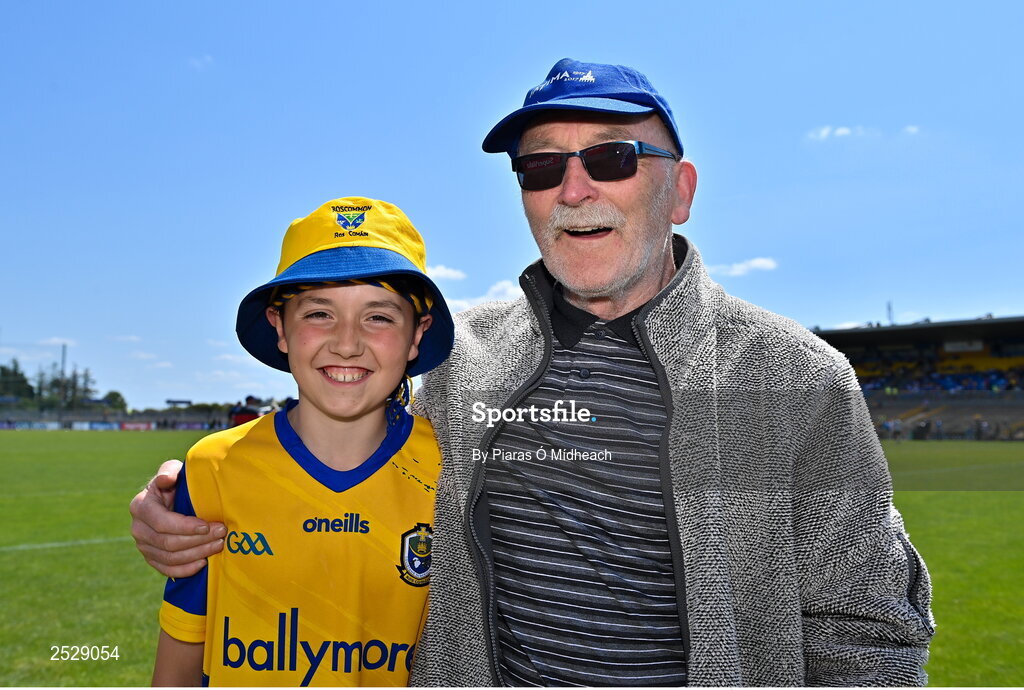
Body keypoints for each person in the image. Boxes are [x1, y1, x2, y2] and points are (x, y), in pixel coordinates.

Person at [132, 60, 934, 686]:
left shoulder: (796, 378)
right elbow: (341, 396)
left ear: (680, 190)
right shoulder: (459, 357)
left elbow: (867, 631)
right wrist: (179, 497)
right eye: (541, 168)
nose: (573, 188)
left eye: (613, 157)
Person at [150, 197, 454, 686]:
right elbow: (182, 653)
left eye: (379, 317)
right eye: (319, 313)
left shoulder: (453, 472)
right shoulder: (213, 467)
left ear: (417, 334)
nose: (347, 342)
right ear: (280, 327)